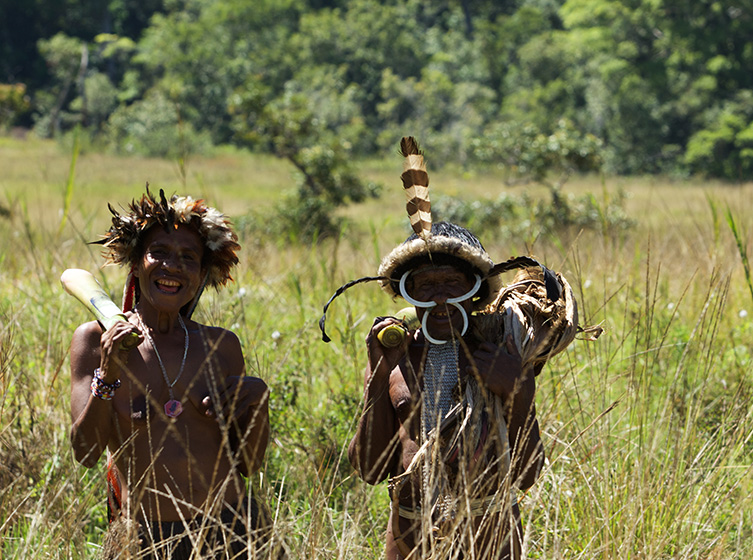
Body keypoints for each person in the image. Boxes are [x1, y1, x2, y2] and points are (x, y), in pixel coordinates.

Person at [319, 138, 596, 559]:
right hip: (410, 536)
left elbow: (525, 476)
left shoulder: (501, 353)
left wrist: (517, 388)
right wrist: (378, 375)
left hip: (491, 533)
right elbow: (370, 469)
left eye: (453, 283)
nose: (442, 298)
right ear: (408, 296)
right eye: (426, 286)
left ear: (477, 293)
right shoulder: (398, 359)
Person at [69, 188, 271, 559]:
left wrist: (257, 399)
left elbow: (250, 463)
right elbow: (85, 452)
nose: (172, 266)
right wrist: (108, 372)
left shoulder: (221, 347)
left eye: (187, 258)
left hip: (231, 529)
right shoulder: (96, 340)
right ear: (135, 263)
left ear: (201, 276)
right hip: (144, 538)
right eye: (158, 252)